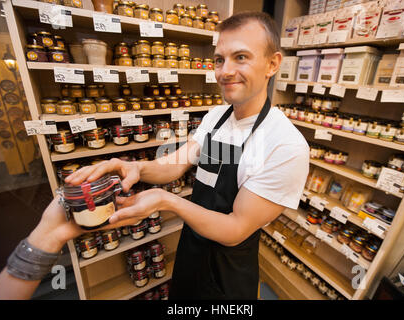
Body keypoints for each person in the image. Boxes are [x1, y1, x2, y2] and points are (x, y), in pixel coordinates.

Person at [66, 11, 309, 300]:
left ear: (272, 64)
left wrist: (167, 200)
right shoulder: (217, 117)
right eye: (220, 59)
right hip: (191, 249)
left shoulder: (285, 145)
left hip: (228, 273)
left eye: (241, 57)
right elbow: (176, 163)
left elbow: (235, 228)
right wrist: (132, 168)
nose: (225, 71)